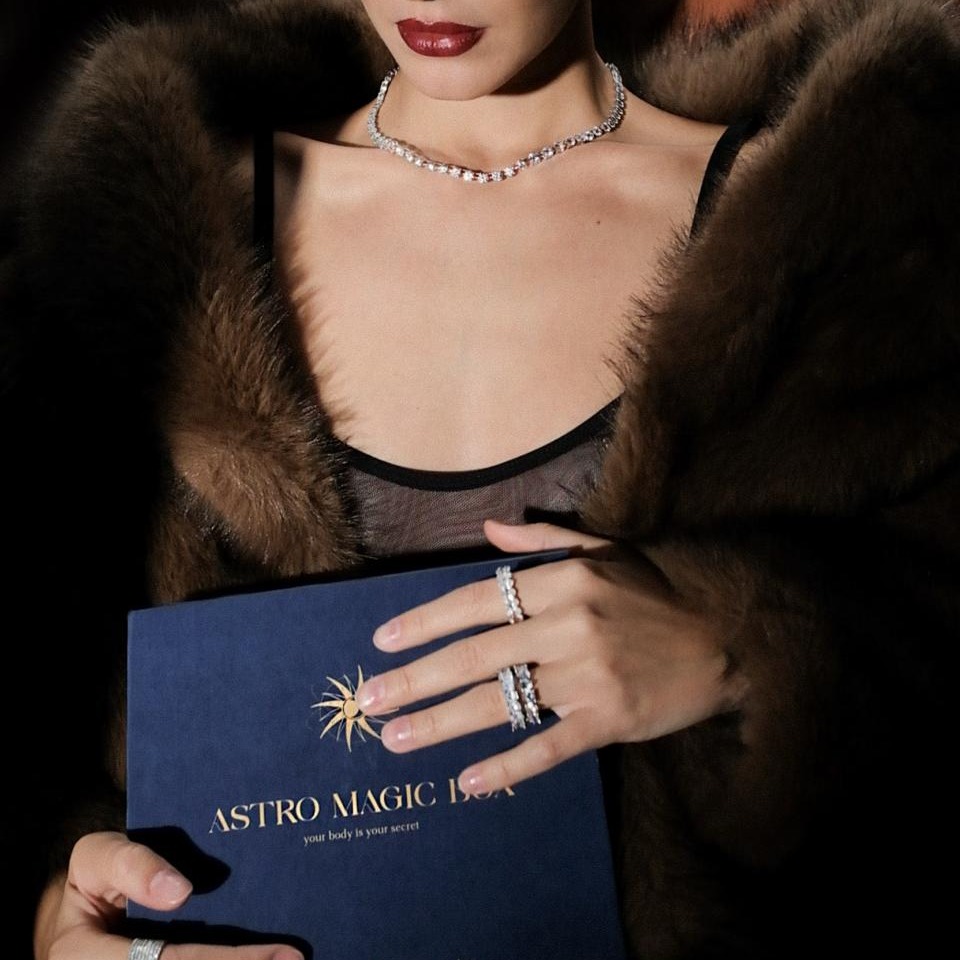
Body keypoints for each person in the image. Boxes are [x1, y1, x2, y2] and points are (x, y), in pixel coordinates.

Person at [1, 0, 956, 957]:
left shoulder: (832, 229)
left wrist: (739, 651)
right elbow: (41, 703)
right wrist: (51, 909)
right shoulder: (146, 241)